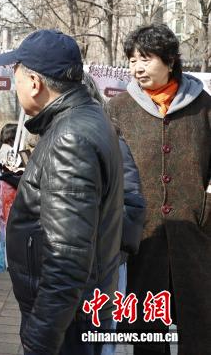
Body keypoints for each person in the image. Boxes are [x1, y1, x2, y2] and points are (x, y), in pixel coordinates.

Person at [0, 30, 123, 355]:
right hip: (79, 309)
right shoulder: (85, 119)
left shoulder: (69, 137)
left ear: (35, 82)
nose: (14, 86)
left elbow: (66, 259)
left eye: (16, 77)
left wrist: (39, 339)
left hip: (68, 321)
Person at [108, 24, 211, 355]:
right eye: (132, 60)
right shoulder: (118, 109)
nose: (137, 68)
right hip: (142, 238)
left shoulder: (203, 106)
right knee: (146, 330)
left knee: (200, 324)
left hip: (195, 234)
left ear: (170, 60)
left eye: (146, 58)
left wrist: (206, 207)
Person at [82, 73, 147, 355]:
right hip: (71, 260)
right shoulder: (58, 138)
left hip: (106, 259)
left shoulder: (112, 142)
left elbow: (133, 203)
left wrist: (113, 246)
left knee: (101, 333)